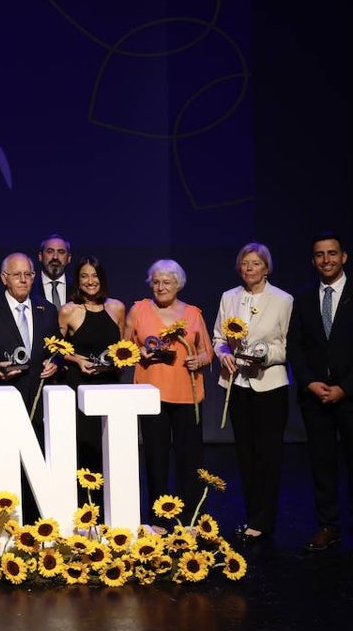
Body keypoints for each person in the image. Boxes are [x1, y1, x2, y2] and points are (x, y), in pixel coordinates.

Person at [0, 253, 61, 521]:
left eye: (28, 274)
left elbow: (58, 349)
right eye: (17, 275)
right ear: (4, 278)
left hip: (38, 406)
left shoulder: (47, 310)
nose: (23, 280)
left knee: (36, 473)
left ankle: (35, 528)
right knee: (1, 471)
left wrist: (57, 362)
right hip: (1, 403)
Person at [212, 242, 292, 546]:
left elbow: (286, 344)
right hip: (238, 385)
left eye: (256, 263)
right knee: (245, 455)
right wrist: (223, 354)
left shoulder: (283, 300)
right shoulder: (229, 297)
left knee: (268, 455)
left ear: (267, 268)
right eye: (245, 263)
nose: (249, 268)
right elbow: (219, 336)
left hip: (269, 384)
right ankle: (252, 516)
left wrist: (263, 353)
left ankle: (263, 520)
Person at [124, 259, 213, 521]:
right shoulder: (139, 310)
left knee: (190, 459)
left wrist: (200, 360)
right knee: (156, 458)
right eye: (156, 282)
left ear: (178, 284)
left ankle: (191, 518)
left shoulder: (193, 314)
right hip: (151, 396)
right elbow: (122, 349)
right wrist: (137, 352)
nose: (161, 287)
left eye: (167, 282)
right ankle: (159, 517)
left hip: (188, 395)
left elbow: (207, 352)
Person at [287, 232, 353, 552]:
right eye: (319, 255)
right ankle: (329, 526)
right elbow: (294, 347)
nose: (325, 260)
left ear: (344, 257)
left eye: (331, 253)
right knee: (322, 466)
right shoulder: (302, 297)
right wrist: (310, 382)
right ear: (313, 260)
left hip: (349, 395)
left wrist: (344, 387)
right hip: (315, 396)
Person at [58, 256, 127, 486]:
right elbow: (56, 349)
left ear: (102, 278)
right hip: (80, 387)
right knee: (84, 448)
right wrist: (77, 359)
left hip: (109, 387)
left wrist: (119, 362)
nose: (90, 281)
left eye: (95, 275)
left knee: (111, 448)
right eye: (84, 276)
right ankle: (85, 508)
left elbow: (123, 346)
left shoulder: (117, 308)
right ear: (77, 281)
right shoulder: (68, 310)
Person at [36, 234, 72, 307]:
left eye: (61, 252)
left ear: (69, 258)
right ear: (40, 256)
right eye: (50, 251)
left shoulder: (78, 288)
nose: (55, 257)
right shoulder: (30, 288)